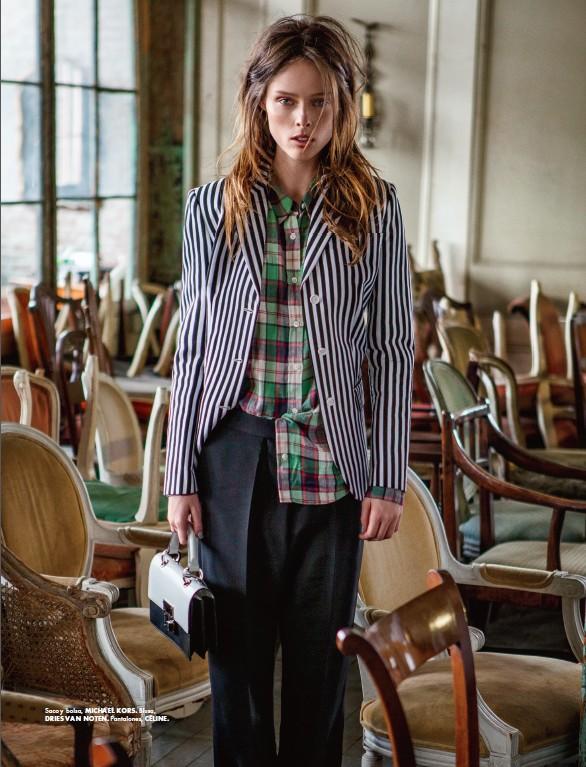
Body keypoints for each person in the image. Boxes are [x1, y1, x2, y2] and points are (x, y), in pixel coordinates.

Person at [164, 14, 414, 767]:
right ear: (259, 102)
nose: (302, 119)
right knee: (236, 672)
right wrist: (179, 476)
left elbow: (392, 348)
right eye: (285, 101)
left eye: (319, 102)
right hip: (233, 458)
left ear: (342, 105)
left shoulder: (375, 206)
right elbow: (193, 350)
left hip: (331, 465)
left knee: (319, 669)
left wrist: (386, 477)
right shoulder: (212, 208)